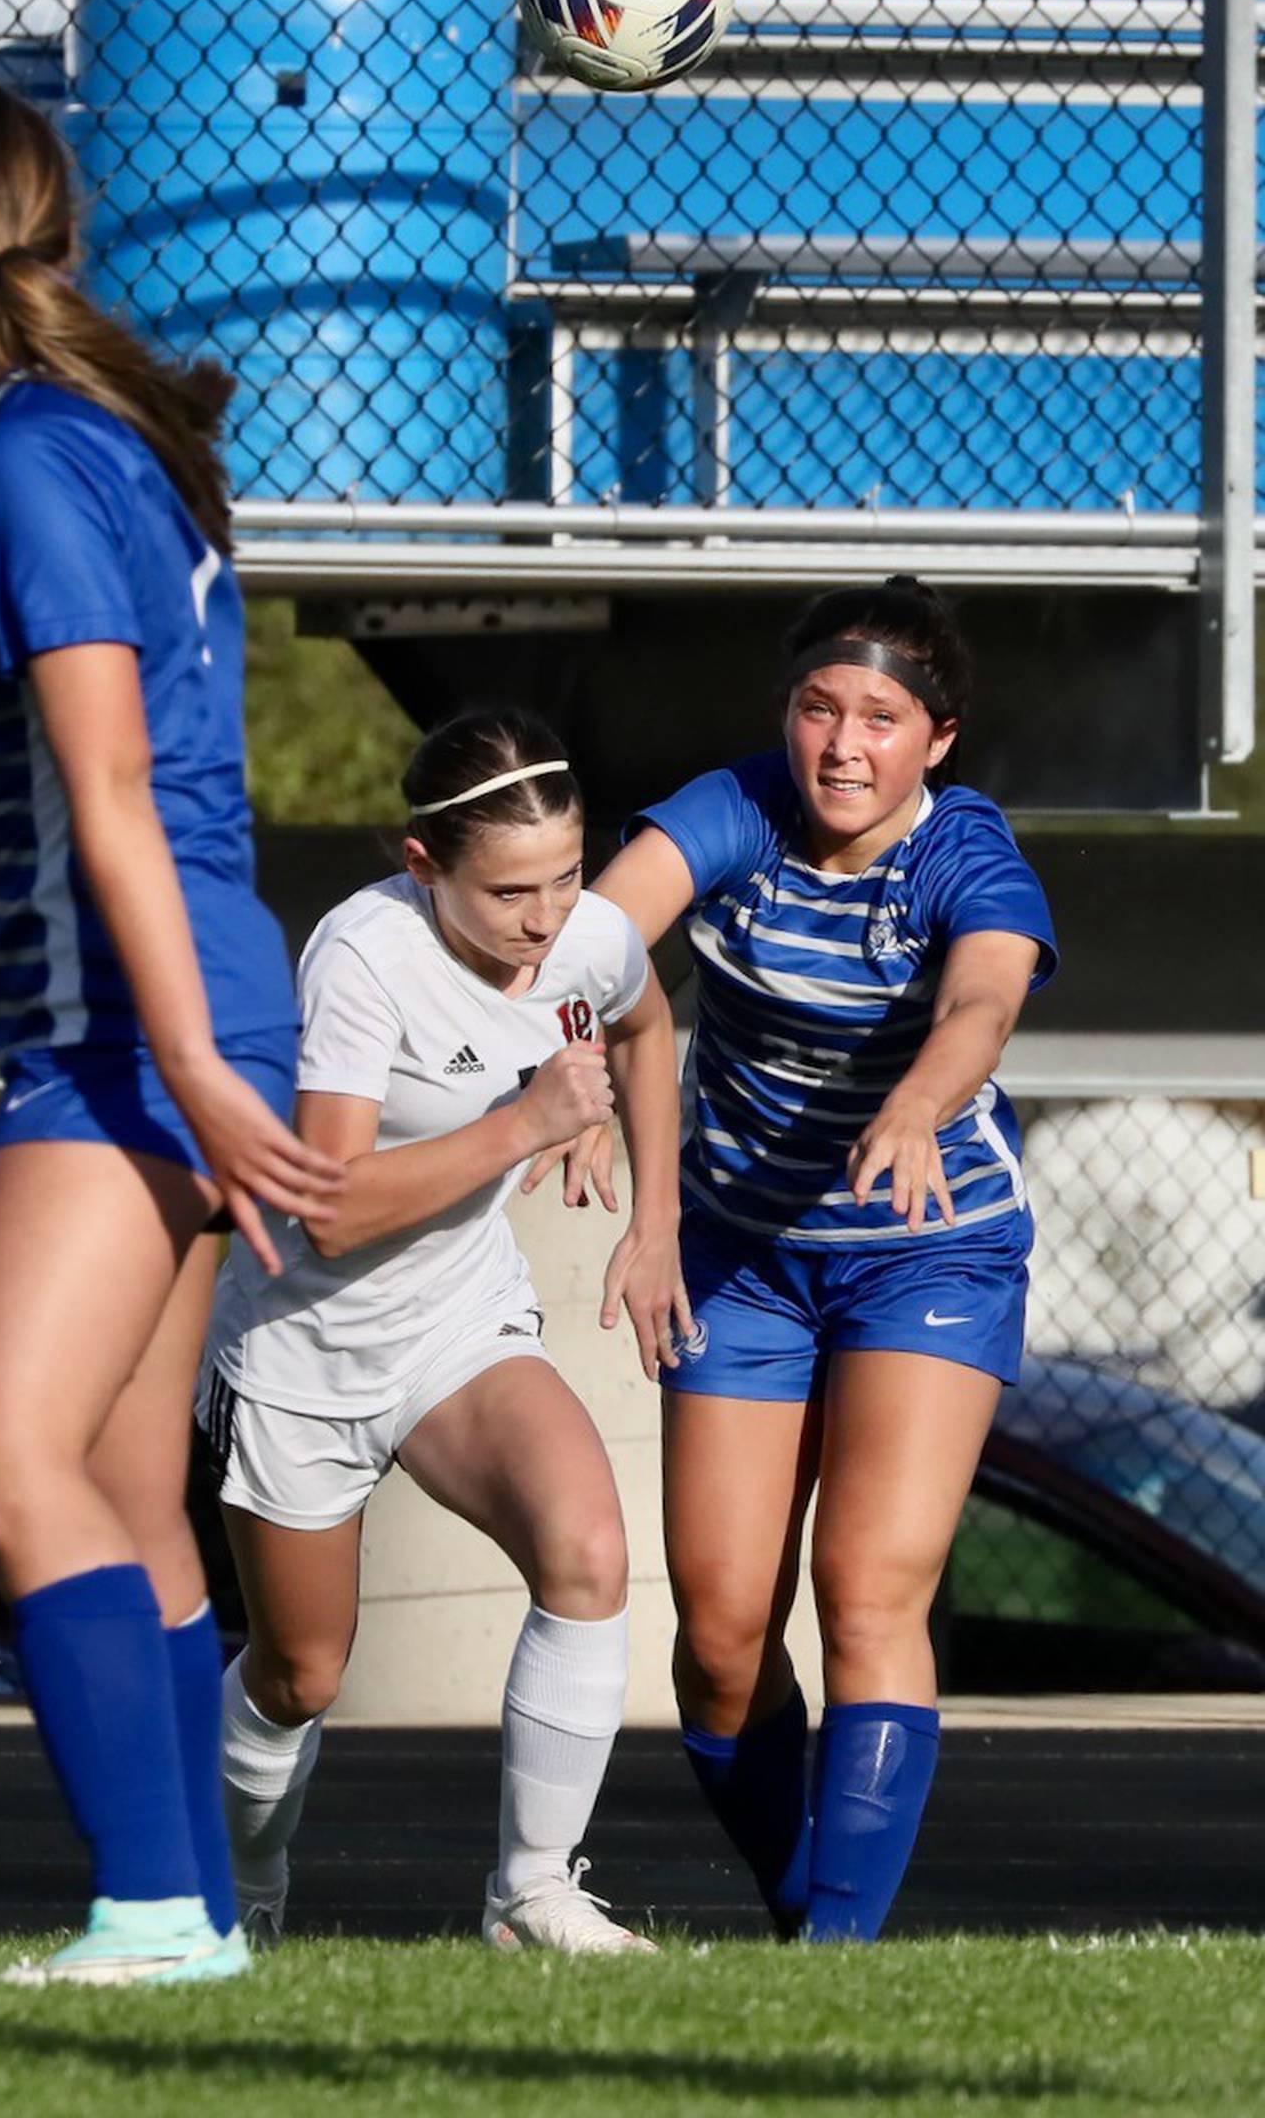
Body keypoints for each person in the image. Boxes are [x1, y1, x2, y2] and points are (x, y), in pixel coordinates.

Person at [0, 79, 343, 1986]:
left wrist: (188, 1062)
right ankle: (195, 1913)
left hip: (135, 1031)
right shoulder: (112, 437)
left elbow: (116, 795)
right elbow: (72, 795)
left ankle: (152, 1909)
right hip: (176, 998)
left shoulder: (34, 462)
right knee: (127, 1490)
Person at [587, 575, 1057, 1942]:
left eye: (882, 718)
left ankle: (839, 1958)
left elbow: (985, 989)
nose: (844, 745)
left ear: (938, 741)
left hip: (929, 1249)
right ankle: (804, 1920)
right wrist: (565, 1022)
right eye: (818, 708)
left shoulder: (962, 854)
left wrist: (914, 1103)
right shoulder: (738, 809)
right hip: (740, 1254)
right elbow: (610, 925)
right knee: (723, 1641)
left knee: (867, 1590)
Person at [199, 706, 688, 1955]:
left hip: (458, 1324)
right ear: (421, 867)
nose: (548, 915)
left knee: (586, 1547)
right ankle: (231, 1887)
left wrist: (655, 1217)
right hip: (305, 1350)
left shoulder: (582, 937)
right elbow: (328, 1214)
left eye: (570, 876)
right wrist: (527, 1123)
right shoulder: (362, 955)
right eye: (512, 889)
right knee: (300, 1673)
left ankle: (532, 1896)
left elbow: (640, 1022)